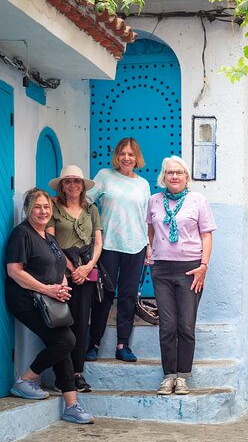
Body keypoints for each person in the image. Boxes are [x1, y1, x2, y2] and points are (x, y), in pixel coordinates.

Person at [4, 188, 94, 424]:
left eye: (46, 207)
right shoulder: (22, 234)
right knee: (66, 341)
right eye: (37, 207)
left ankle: (71, 405)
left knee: (62, 343)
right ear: (27, 209)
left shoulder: (50, 238)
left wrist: (62, 286)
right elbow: (14, 271)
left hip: (49, 300)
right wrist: (46, 289)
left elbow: (59, 266)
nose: (43, 211)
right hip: (26, 299)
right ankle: (26, 379)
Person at [146, 156, 217, 395]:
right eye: (169, 172)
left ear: (187, 177)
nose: (174, 176)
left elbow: (206, 235)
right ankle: (169, 376)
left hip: (191, 269)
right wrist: (150, 251)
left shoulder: (197, 200)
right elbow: (151, 229)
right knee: (167, 325)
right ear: (163, 177)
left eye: (179, 172)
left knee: (186, 325)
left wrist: (204, 266)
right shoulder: (154, 201)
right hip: (162, 270)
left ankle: (183, 376)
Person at [86, 138, 151, 363]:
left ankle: (123, 344)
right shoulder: (105, 176)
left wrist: (149, 246)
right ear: (117, 155)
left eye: (131, 154)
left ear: (137, 158)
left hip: (136, 245)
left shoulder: (143, 184)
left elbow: (145, 218)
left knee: (128, 296)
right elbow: (87, 201)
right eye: (123, 153)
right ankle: (93, 343)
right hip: (108, 244)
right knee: (104, 295)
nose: (126, 158)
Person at [47, 165, 102, 393]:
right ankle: (62, 376)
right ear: (62, 185)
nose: (72, 185)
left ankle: (77, 373)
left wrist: (87, 267)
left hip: (85, 276)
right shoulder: (53, 208)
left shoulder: (91, 209)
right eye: (68, 181)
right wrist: (71, 268)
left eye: (76, 181)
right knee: (62, 326)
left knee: (80, 324)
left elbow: (98, 242)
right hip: (62, 276)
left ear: (82, 186)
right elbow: (50, 241)